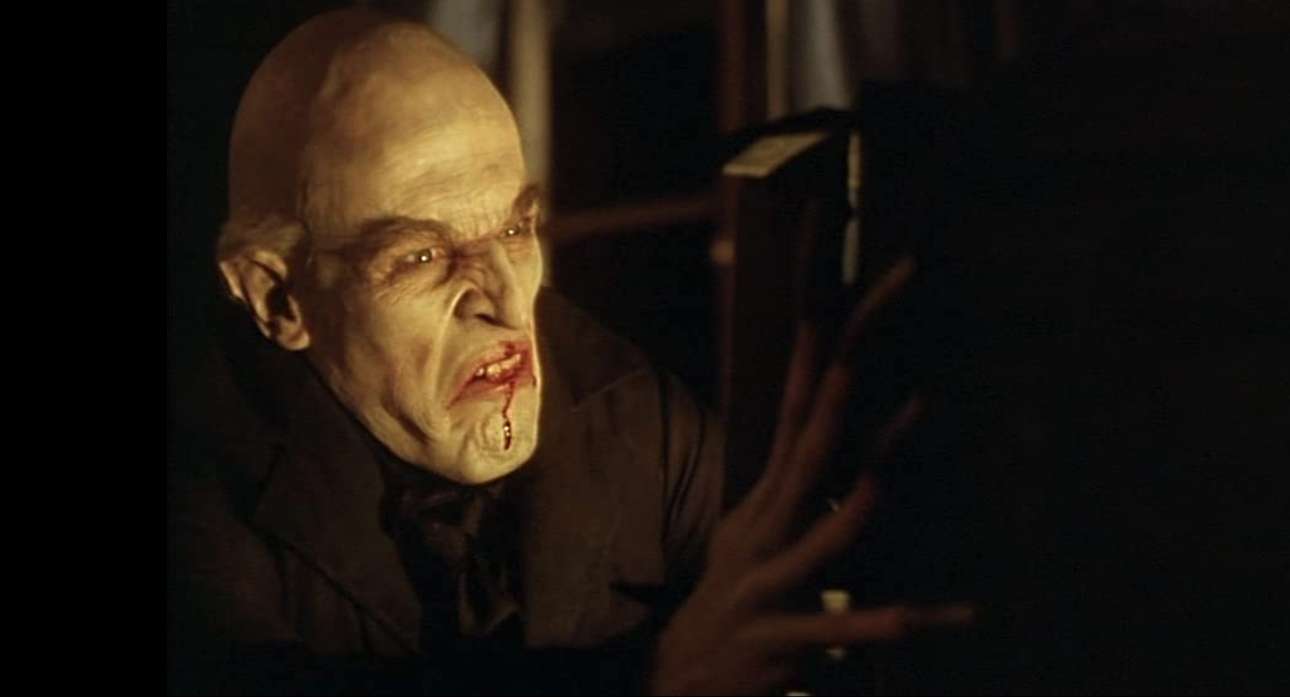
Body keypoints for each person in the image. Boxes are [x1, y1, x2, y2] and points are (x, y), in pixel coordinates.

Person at [167, 7, 972, 695]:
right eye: (422, 256)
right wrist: (656, 678)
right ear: (277, 298)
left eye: (516, 229)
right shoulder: (200, 486)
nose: (507, 300)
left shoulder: (633, 419)